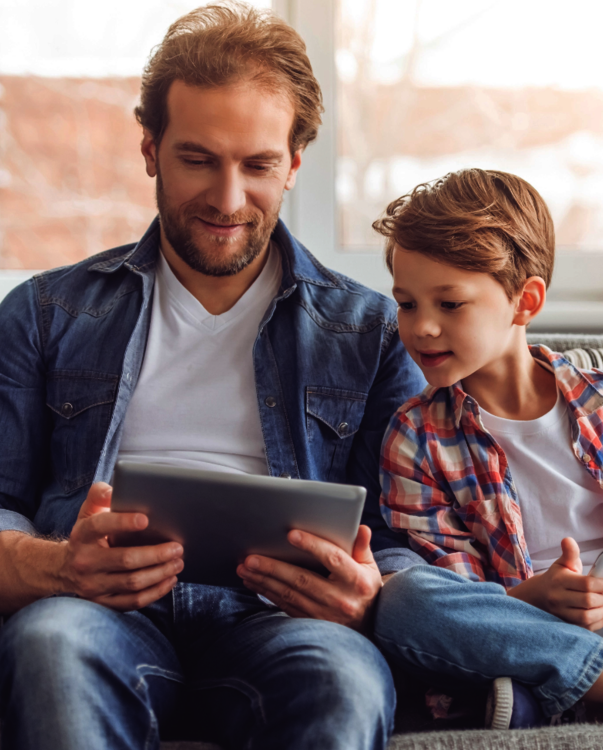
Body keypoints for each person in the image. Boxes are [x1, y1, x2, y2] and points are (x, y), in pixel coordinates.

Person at [0, 4, 426, 749]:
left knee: (346, 680)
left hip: (283, 626)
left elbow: (402, 538)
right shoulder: (44, 313)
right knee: (50, 648)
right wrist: (60, 566)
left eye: (258, 165)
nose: (228, 200)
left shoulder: (374, 333)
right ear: (150, 149)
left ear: (294, 163)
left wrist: (368, 593)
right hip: (97, 613)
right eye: (198, 159)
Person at [371, 168, 603, 740]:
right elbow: (460, 599)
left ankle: (582, 697)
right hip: (532, 635)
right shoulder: (415, 436)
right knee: (405, 601)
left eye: (449, 304)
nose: (421, 327)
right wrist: (532, 601)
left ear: (525, 301)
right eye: (406, 304)